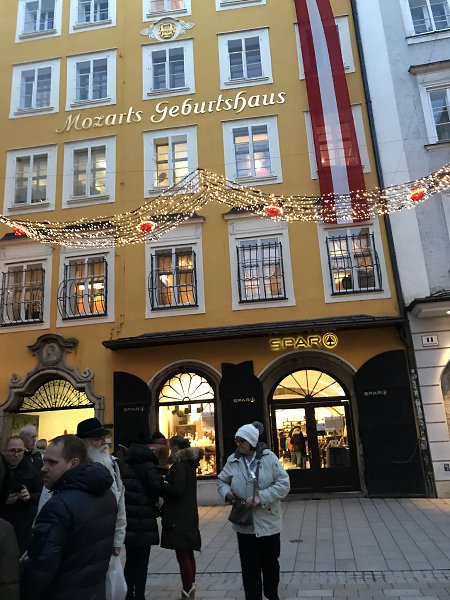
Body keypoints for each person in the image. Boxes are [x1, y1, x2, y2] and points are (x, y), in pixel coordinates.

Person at [21, 434, 118, 600]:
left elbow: (41, 567)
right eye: (44, 461)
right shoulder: (107, 495)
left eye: (52, 462)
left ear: (73, 463)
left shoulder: (59, 505)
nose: (43, 468)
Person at [217, 421, 290, 600]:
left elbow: (283, 484)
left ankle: (271, 594)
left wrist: (261, 498)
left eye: (241, 441)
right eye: (237, 440)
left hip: (268, 522)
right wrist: (228, 494)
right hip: (244, 524)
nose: (238, 444)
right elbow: (222, 481)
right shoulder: (233, 460)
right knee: (249, 568)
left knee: (270, 565)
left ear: (251, 441)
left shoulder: (269, 458)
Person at [160, 436, 203, 600]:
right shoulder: (189, 465)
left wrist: (164, 483)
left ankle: (187, 591)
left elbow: (177, 489)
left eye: (171, 447)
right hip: (188, 513)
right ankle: (190, 588)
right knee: (187, 552)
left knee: (183, 554)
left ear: (175, 447)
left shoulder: (179, 466)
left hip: (179, 515)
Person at [77, 417, 127, 557]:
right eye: (97, 439)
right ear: (83, 443)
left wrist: (118, 540)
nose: (104, 443)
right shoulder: (71, 466)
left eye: (103, 437)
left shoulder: (112, 465)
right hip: (80, 543)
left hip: (107, 540)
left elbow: (120, 502)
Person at [121, 439, 165, 600]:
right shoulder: (148, 467)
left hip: (129, 519)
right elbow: (157, 487)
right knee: (142, 562)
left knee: (130, 560)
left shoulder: (126, 467)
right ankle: (139, 595)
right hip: (144, 518)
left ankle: (128, 594)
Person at [0, 436, 42, 553]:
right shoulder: (2, 468)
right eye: (12, 450)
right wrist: (3, 500)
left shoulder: (31, 470)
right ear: (4, 451)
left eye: (20, 451)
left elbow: (41, 495)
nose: (16, 454)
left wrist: (29, 496)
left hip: (21, 525)